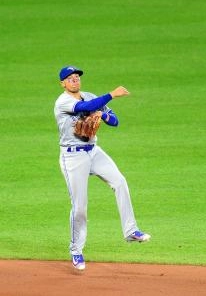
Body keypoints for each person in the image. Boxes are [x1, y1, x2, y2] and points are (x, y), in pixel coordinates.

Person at [54, 66, 150, 271]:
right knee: (80, 206)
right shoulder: (63, 102)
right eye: (70, 79)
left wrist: (103, 115)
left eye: (77, 78)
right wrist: (111, 95)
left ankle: (131, 231)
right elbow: (85, 106)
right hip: (73, 156)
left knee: (120, 182)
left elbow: (114, 121)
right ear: (63, 83)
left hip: (93, 151)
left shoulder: (90, 96)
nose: (75, 81)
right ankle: (76, 250)